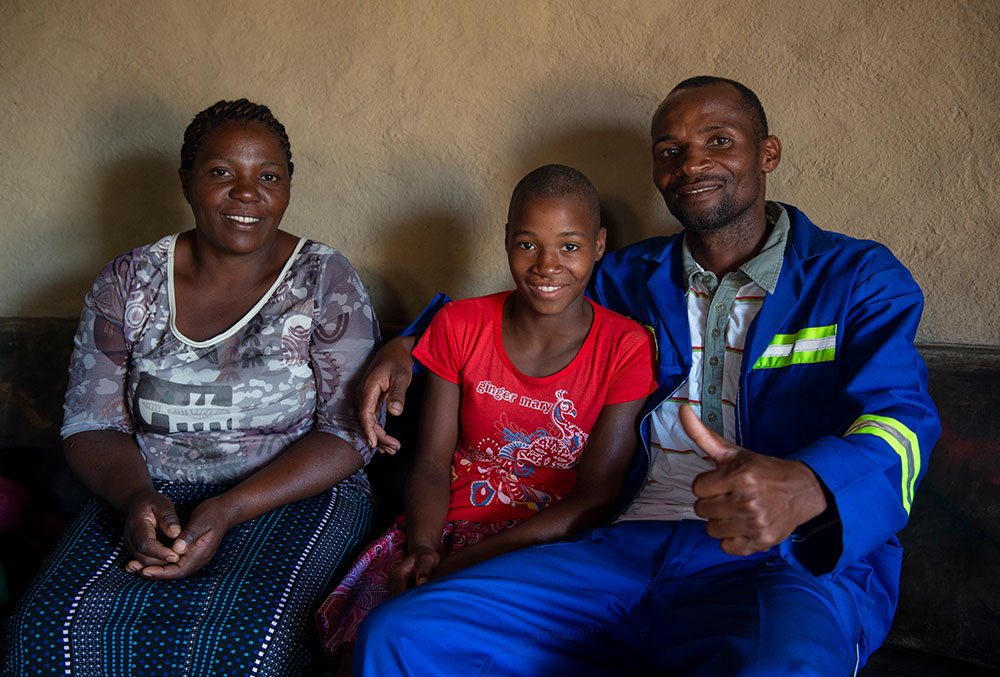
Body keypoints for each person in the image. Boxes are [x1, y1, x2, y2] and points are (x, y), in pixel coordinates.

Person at [352, 77, 940, 675]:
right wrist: (409, 342)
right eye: (670, 150)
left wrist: (810, 485)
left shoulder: (853, 279)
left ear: (768, 153)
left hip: (781, 558)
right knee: (400, 636)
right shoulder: (630, 278)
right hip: (622, 547)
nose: (692, 163)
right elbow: (527, 303)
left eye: (719, 139)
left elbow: (903, 421)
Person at [1, 99, 379, 676]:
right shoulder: (129, 282)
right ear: (187, 181)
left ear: (287, 188)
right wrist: (137, 500)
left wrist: (228, 508)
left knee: (248, 647)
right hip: (149, 493)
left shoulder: (323, 279)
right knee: (46, 631)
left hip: (296, 493)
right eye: (222, 172)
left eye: (269, 176)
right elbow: (90, 423)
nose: (247, 193)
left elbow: (350, 433)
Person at [315, 165, 656, 673]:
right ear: (505, 241)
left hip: (545, 543)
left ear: (599, 245)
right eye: (526, 244)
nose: (546, 266)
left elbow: (595, 497)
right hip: (442, 529)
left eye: (569, 246)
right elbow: (431, 462)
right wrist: (428, 550)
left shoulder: (624, 347)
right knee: (364, 652)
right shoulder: (460, 325)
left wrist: (463, 565)